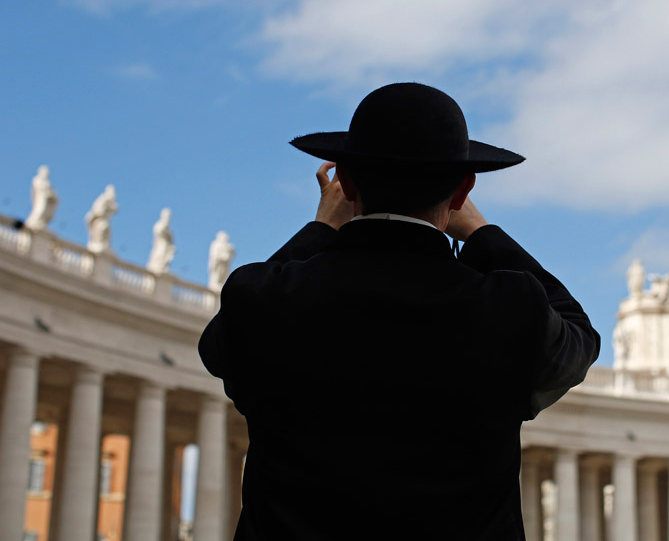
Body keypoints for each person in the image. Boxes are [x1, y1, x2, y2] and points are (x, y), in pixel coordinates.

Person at [199, 82, 600, 540]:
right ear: (462, 190)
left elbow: (217, 345)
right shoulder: (508, 309)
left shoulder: (266, 298)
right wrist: (484, 234)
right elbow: (580, 338)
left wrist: (320, 229)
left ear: (345, 183)